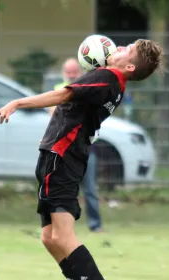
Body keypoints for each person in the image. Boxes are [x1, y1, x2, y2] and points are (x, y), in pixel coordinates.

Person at [0, 39, 164, 280]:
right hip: (59, 155)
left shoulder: (110, 77)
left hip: (63, 155)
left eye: (127, 49)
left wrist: (17, 102)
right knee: (49, 237)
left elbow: (63, 94)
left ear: (129, 66)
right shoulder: (112, 80)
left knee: (62, 235)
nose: (119, 46)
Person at [50, 58, 103, 232]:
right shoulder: (58, 91)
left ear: (80, 72)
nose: (72, 75)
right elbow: (55, 115)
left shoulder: (88, 89)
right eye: (69, 72)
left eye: (75, 72)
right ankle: (62, 227)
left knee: (90, 191)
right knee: (63, 190)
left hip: (87, 149)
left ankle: (95, 226)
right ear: (63, 73)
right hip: (65, 150)